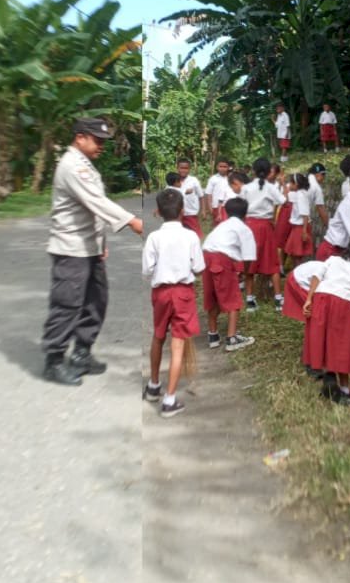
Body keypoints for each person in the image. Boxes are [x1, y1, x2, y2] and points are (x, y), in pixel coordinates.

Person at [42, 117, 143, 385]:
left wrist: (101, 244)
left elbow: (90, 210)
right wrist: (132, 221)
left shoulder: (85, 165)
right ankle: (53, 360)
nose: (101, 146)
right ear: (80, 138)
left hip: (89, 247)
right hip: (71, 248)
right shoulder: (73, 166)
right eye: (97, 140)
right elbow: (97, 202)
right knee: (67, 304)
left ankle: (82, 353)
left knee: (96, 301)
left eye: (103, 141)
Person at [141, 188, 205, 417]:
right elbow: (198, 268)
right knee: (177, 345)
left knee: (158, 336)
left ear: (157, 212)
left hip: (160, 293)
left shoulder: (154, 238)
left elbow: (147, 270)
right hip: (183, 293)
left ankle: (154, 385)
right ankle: (169, 400)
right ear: (183, 211)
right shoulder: (190, 236)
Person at [303, 235, 350, 404]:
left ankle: (328, 377)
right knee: (342, 345)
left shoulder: (333, 260)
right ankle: (344, 391)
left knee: (322, 340)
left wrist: (309, 298)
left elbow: (317, 275)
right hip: (343, 304)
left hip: (321, 298)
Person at [201, 197, 257, 352]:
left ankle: (213, 334)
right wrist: (243, 274)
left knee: (212, 296)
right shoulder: (244, 229)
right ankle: (232, 338)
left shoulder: (223, 225)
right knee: (233, 297)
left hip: (206, 257)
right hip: (222, 259)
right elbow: (248, 257)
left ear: (226, 211)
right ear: (246, 214)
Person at [241, 157, 286, 311]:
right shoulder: (271, 188)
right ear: (268, 173)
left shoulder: (246, 188)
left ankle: (250, 299)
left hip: (250, 226)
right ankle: (278, 299)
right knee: (272, 262)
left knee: (249, 262)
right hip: (266, 226)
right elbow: (282, 201)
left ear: (253, 171)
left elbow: (240, 204)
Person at [284, 172, 313, 262]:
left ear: (296, 184)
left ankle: (297, 271)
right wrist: (283, 185)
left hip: (300, 228)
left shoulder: (301, 195)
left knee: (296, 254)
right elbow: (286, 199)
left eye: (291, 183)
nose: (289, 185)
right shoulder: (299, 193)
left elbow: (305, 214)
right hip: (297, 227)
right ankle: (296, 270)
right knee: (294, 253)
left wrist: (304, 231)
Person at [176, 157, 205, 236]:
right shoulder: (173, 180)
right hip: (177, 214)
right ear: (177, 168)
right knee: (179, 235)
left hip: (191, 213)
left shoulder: (194, 180)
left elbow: (201, 196)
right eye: (181, 168)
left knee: (195, 234)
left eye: (186, 168)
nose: (184, 170)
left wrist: (203, 210)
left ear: (189, 169)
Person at [204, 158, 232, 224]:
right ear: (217, 167)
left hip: (229, 206)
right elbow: (208, 193)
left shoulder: (231, 178)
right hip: (216, 206)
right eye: (220, 166)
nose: (222, 168)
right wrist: (210, 207)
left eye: (225, 166)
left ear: (228, 167)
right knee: (218, 226)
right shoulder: (213, 179)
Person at [307, 162, 329, 228]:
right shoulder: (316, 187)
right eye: (324, 175)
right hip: (301, 220)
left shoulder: (302, 178)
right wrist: (329, 227)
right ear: (319, 175)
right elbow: (321, 209)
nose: (324, 179)